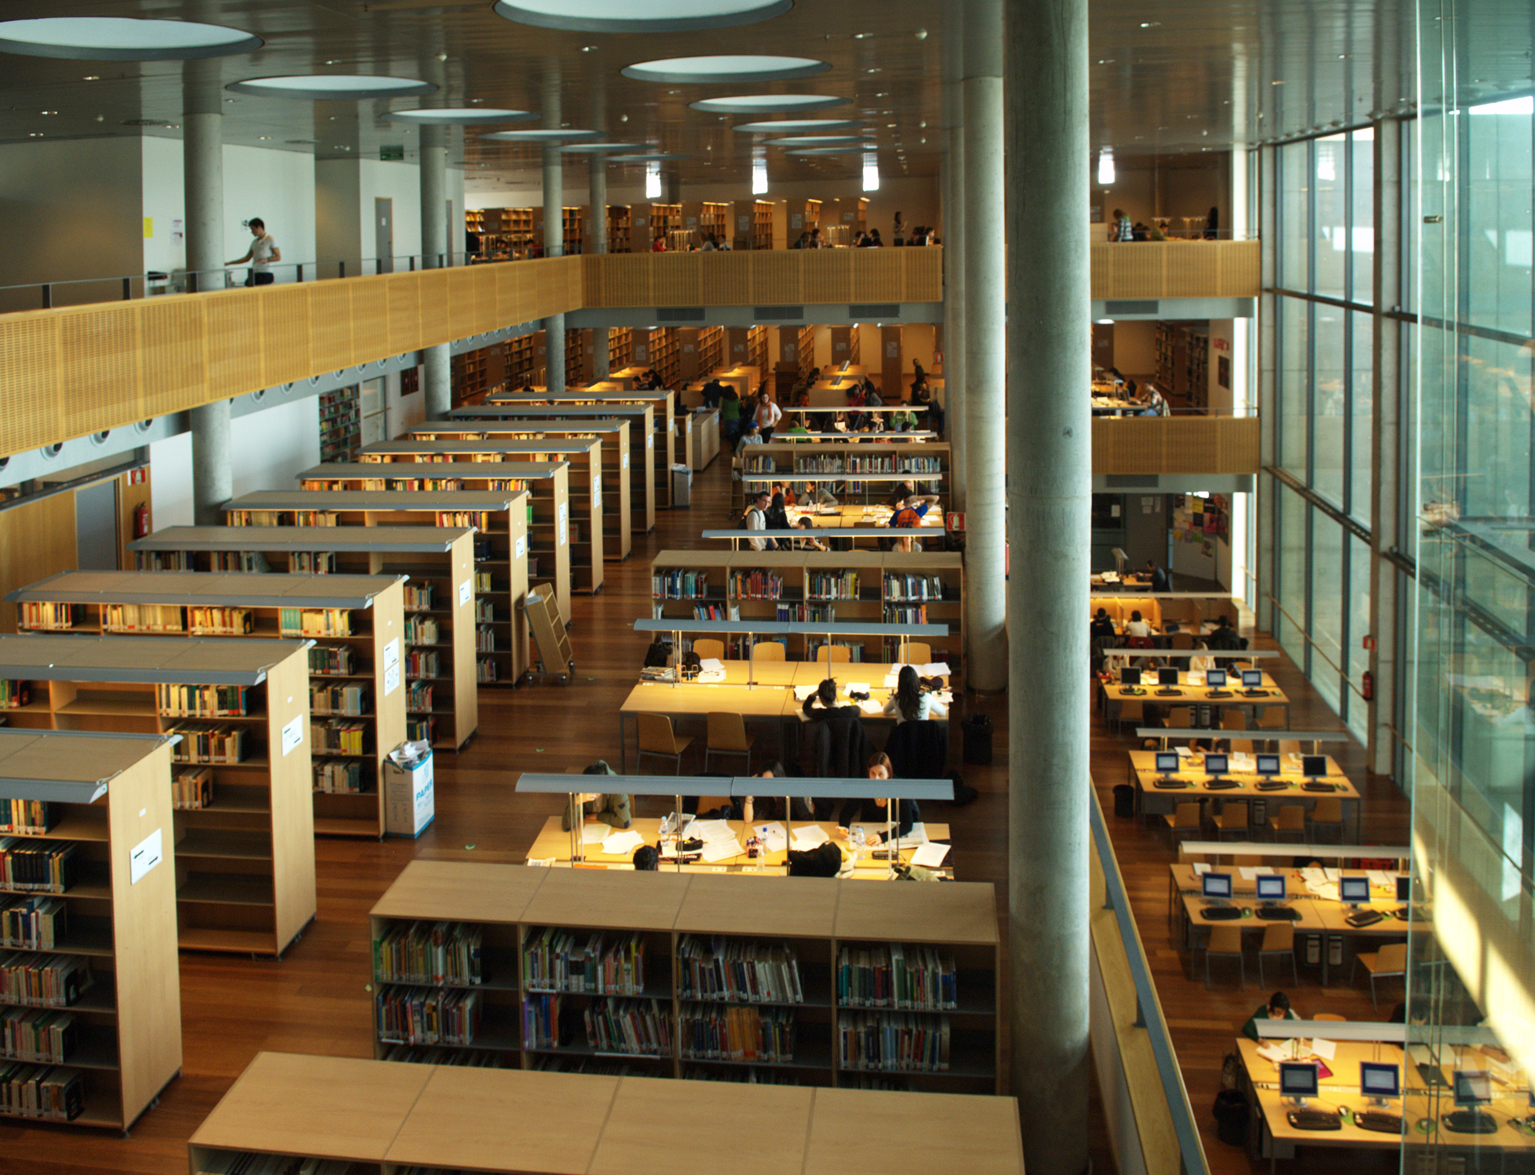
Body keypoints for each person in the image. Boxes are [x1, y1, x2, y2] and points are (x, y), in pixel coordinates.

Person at [834, 752, 919, 846]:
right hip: (868, 835)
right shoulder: (863, 787)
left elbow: (907, 824)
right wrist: (844, 828)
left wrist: (882, 837)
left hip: (892, 834)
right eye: (873, 773)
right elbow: (846, 813)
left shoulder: (899, 788)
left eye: (881, 774)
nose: (876, 779)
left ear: (888, 774)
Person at [801, 678, 867, 777]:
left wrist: (812, 696)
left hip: (827, 756)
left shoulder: (820, 714)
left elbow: (806, 708)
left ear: (821, 699)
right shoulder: (850, 712)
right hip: (847, 756)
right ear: (835, 695)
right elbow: (858, 710)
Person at [560, 762, 632, 831]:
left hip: (611, 829)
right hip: (587, 828)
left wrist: (599, 816)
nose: (594, 792)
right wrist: (577, 802)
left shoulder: (616, 788)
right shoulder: (580, 789)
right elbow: (566, 826)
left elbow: (624, 822)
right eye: (590, 788)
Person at [883, 665, 948, 724]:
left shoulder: (896, 699)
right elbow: (943, 712)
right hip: (923, 733)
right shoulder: (927, 697)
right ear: (917, 681)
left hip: (904, 733)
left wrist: (897, 710)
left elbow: (885, 711)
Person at [227, 217, 280, 286]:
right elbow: (247, 258)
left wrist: (267, 259)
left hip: (266, 273)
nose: (252, 232)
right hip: (255, 272)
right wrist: (229, 263)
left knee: (253, 284)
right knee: (248, 283)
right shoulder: (254, 242)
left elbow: (278, 257)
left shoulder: (270, 239)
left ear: (259, 227)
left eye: (252, 229)